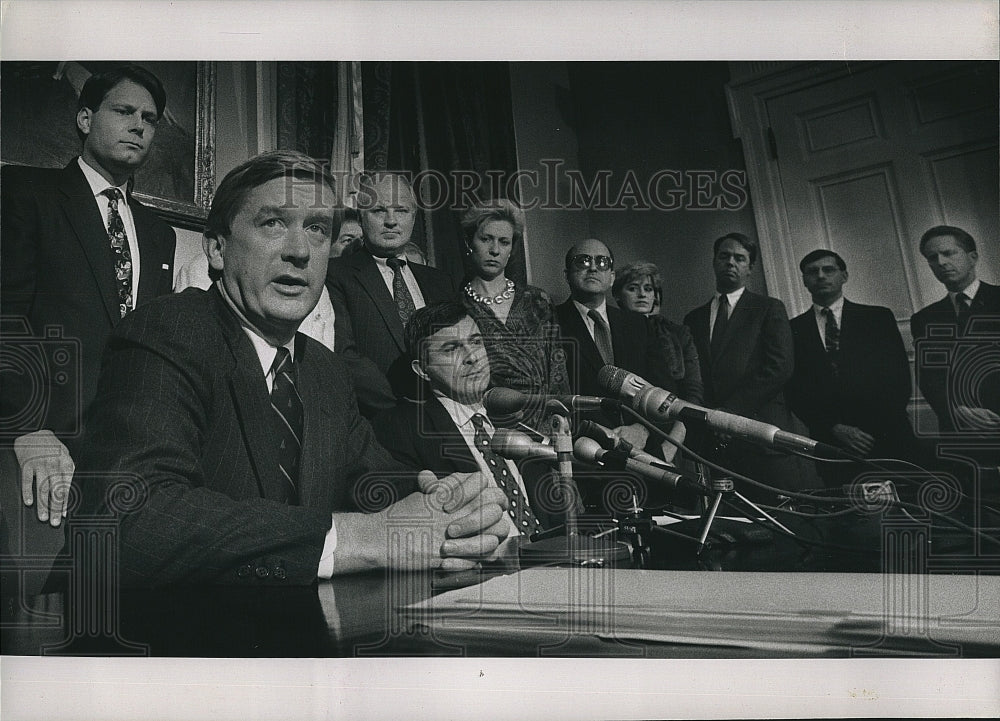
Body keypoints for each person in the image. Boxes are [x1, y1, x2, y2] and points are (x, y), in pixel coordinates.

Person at [69, 151, 509, 587]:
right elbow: (129, 516)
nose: (299, 251)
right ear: (217, 248)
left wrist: (449, 509)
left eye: (317, 229)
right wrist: (362, 538)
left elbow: (373, 481)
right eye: (273, 223)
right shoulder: (167, 331)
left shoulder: (324, 369)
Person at [1, 66, 177, 597]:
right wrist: (26, 427)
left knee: (136, 603)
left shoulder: (158, 232)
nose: (139, 126)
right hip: (41, 441)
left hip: (129, 450)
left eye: (149, 119)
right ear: (85, 118)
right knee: (41, 603)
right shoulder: (22, 192)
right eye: (124, 112)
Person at [374, 302, 565, 534]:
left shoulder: (511, 412)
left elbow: (553, 513)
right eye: (452, 348)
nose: (472, 357)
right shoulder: (401, 429)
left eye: (475, 342)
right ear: (422, 369)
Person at [684, 232, 817, 497]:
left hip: (760, 434)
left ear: (750, 268)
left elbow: (779, 367)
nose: (730, 263)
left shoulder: (768, 308)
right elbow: (694, 376)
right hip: (715, 442)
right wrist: (713, 421)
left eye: (739, 258)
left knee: (775, 517)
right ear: (714, 262)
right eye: (724, 256)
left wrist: (729, 413)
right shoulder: (694, 318)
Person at [787, 250, 921, 484]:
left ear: (844, 275)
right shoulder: (793, 329)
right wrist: (834, 427)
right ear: (804, 281)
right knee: (847, 515)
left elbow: (898, 380)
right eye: (812, 271)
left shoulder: (877, 319)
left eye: (828, 270)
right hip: (833, 446)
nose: (820, 276)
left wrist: (866, 433)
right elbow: (795, 390)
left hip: (887, 437)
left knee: (902, 511)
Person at [326, 173, 461, 392]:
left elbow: (458, 351)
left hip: (443, 413)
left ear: (414, 218)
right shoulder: (336, 275)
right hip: (380, 416)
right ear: (361, 218)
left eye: (401, 210)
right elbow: (344, 356)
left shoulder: (441, 282)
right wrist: (402, 412)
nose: (391, 221)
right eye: (379, 211)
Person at [459, 200, 570, 428]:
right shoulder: (458, 308)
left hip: (545, 423)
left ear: (511, 249)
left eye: (504, 242)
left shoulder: (537, 301)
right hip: (491, 425)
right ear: (469, 242)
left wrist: (561, 423)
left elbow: (557, 369)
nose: (495, 250)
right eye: (486, 239)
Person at [555, 239, 671, 452]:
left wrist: (643, 429)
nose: (592, 267)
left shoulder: (638, 325)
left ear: (611, 277)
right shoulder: (551, 323)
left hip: (645, 451)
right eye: (583, 261)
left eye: (602, 262)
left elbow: (663, 388)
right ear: (567, 275)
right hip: (586, 454)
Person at [910, 225, 1000, 434]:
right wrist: (957, 412)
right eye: (932, 258)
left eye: (949, 253)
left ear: (973, 257)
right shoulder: (924, 319)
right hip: (960, 432)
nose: (941, 262)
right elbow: (929, 378)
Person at [612, 261, 703, 405]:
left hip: (674, 414)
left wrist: (683, 423)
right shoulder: (609, 329)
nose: (642, 294)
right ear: (617, 295)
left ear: (655, 296)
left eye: (648, 289)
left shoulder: (678, 333)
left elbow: (692, 387)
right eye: (632, 288)